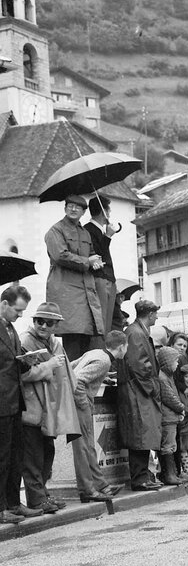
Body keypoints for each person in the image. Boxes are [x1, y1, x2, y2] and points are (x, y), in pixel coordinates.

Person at [20, 302, 78, 513]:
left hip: (49, 409)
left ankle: (43, 493)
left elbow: (66, 373)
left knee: (47, 452)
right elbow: (21, 374)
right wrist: (48, 366)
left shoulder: (55, 343)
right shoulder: (25, 341)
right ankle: (36, 499)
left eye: (49, 322)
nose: (43, 325)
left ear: (56, 325)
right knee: (33, 456)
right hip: (32, 407)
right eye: (39, 321)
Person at [0, 286, 47, 522]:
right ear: (5, 304)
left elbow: (12, 361)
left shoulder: (11, 330)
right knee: (2, 456)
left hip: (14, 401)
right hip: (2, 402)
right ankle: (1, 509)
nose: (20, 316)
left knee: (15, 455)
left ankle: (13, 503)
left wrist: (27, 361)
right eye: (17, 311)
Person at [44, 195, 105, 360]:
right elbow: (60, 256)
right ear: (65, 208)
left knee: (86, 342)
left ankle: (80, 382)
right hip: (68, 294)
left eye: (77, 207)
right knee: (72, 342)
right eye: (70, 206)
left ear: (84, 211)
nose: (73, 209)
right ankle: (72, 383)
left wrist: (96, 261)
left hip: (86, 296)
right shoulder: (55, 230)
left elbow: (91, 254)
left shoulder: (85, 233)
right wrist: (87, 261)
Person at [70, 330, 129, 502]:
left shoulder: (96, 353)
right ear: (121, 347)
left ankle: (101, 486)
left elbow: (71, 367)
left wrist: (101, 378)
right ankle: (88, 489)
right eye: (126, 347)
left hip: (76, 401)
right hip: (80, 403)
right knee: (83, 447)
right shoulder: (104, 361)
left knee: (87, 446)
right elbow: (79, 380)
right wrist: (84, 403)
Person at [117, 300, 163, 491]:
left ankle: (142, 476)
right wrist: (152, 388)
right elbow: (139, 365)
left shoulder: (136, 331)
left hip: (138, 389)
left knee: (143, 435)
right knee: (141, 435)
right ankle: (139, 478)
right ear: (150, 314)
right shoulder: (136, 333)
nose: (157, 317)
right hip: (138, 391)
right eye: (155, 313)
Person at [84, 194, 122, 342]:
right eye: (109, 210)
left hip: (108, 279)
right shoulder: (88, 230)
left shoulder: (99, 229)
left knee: (111, 319)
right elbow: (97, 255)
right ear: (104, 212)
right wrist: (108, 237)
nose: (110, 214)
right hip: (101, 278)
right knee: (103, 320)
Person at [156, 346, 183, 486]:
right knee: (168, 445)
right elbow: (170, 397)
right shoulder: (162, 377)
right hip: (167, 418)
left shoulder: (168, 376)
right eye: (176, 360)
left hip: (171, 416)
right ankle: (169, 475)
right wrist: (181, 408)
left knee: (171, 445)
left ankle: (170, 473)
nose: (177, 363)